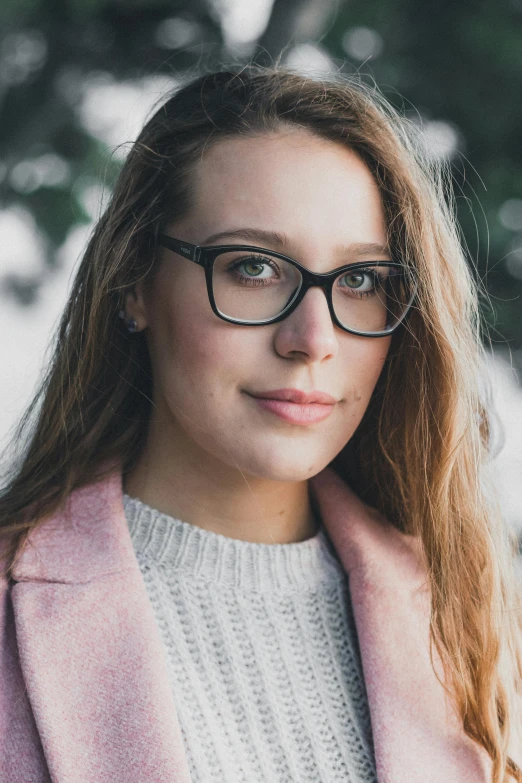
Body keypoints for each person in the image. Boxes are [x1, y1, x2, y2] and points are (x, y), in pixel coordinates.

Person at [1, 66, 521, 783]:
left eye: (361, 280)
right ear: (133, 282)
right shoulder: (12, 616)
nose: (312, 338)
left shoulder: (474, 624)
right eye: (253, 267)